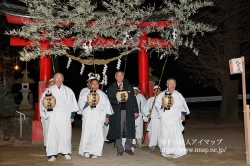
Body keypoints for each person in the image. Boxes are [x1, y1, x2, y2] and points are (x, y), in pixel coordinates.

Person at [40, 73, 79, 162]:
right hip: (53, 114)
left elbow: (73, 104)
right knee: (52, 134)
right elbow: (43, 103)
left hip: (64, 114)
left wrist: (72, 116)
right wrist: (45, 107)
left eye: (60, 78)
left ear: (63, 79)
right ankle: (52, 154)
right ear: (54, 80)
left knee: (65, 133)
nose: (58, 80)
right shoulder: (48, 91)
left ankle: (65, 152)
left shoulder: (68, 90)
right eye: (56, 78)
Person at [78, 78, 113, 158]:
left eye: (97, 84)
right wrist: (88, 102)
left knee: (97, 134)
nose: (95, 85)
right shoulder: (85, 93)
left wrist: (107, 116)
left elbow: (107, 105)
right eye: (93, 84)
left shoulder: (102, 94)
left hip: (98, 115)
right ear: (90, 84)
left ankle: (95, 152)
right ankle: (86, 150)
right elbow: (80, 104)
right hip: (88, 115)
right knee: (87, 133)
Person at [155, 78, 190, 158]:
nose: (172, 85)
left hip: (175, 116)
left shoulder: (178, 95)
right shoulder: (162, 94)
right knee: (165, 134)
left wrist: (183, 114)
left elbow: (183, 105)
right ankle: (167, 151)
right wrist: (162, 105)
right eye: (170, 84)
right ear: (167, 85)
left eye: (174, 84)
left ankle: (178, 151)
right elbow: (157, 104)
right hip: (165, 115)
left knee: (176, 133)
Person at [107, 71, 139, 156]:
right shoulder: (112, 87)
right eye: (118, 75)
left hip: (128, 110)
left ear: (123, 77)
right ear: (115, 77)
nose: (120, 77)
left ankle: (128, 147)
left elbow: (133, 99)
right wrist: (117, 101)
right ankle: (120, 148)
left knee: (129, 129)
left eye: (121, 76)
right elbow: (109, 99)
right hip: (117, 111)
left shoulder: (128, 86)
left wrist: (136, 110)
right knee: (119, 129)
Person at [142, 85, 161, 152]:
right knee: (153, 132)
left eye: (158, 90)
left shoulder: (163, 99)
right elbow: (145, 109)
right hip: (153, 119)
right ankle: (152, 145)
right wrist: (148, 114)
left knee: (162, 132)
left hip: (161, 119)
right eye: (155, 90)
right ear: (153, 91)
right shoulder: (150, 100)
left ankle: (162, 146)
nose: (157, 92)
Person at [41, 78, 55, 147]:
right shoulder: (45, 93)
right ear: (48, 85)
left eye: (53, 84)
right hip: (47, 115)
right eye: (51, 84)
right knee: (48, 130)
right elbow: (42, 104)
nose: (52, 86)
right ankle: (48, 145)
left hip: (56, 115)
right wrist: (43, 114)